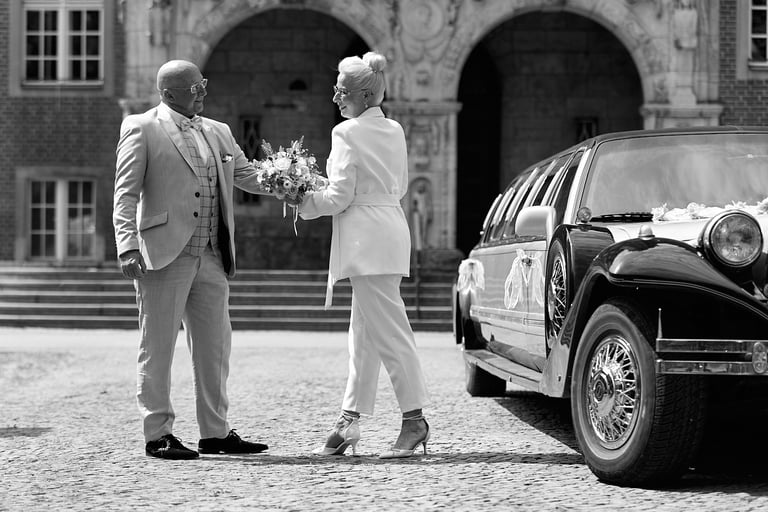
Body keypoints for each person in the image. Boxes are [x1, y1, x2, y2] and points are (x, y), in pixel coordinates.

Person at [113, 59, 271, 460]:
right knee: (158, 347)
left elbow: (249, 175)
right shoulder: (141, 127)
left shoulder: (218, 130)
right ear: (168, 93)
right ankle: (158, 434)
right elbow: (125, 193)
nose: (202, 91)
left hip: (213, 255)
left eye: (203, 84)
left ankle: (215, 433)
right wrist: (128, 245)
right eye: (194, 86)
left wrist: (296, 183)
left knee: (215, 347)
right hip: (163, 255)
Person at [297, 51, 431, 459]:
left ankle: (414, 419)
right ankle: (348, 420)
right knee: (365, 335)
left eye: (341, 92)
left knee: (389, 333)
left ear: (363, 94)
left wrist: (303, 199)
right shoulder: (394, 129)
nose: (335, 99)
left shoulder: (346, 133)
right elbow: (397, 187)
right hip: (389, 230)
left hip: (365, 240)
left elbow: (339, 197)